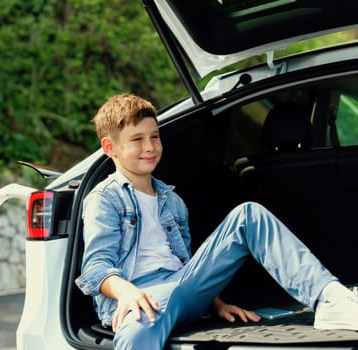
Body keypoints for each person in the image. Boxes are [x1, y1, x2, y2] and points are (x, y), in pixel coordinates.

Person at [74, 93, 358, 350]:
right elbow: (95, 267)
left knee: (248, 214)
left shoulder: (171, 200)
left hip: (181, 288)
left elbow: (186, 268)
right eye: (137, 139)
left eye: (155, 136)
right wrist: (127, 292)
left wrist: (217, 304)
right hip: (142, 297)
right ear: (110, 147)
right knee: (136, 336)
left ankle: (328, 298)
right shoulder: (105, 199)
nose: (150, 146)